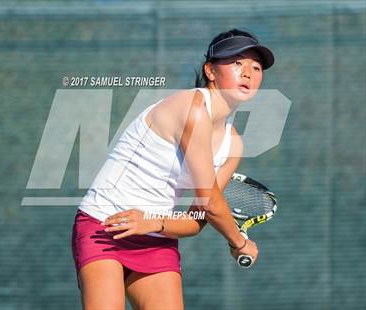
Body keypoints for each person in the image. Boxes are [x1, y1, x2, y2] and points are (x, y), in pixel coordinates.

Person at [72, 28, 274, 310]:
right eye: (236, 62)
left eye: (256, 66)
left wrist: (154, 222)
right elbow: (211, 202)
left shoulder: (234, 145)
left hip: (156, 238)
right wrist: (239, 242)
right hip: (106, 224)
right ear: (211, 71)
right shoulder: (190, 107)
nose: (248, 73)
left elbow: (197, 219)